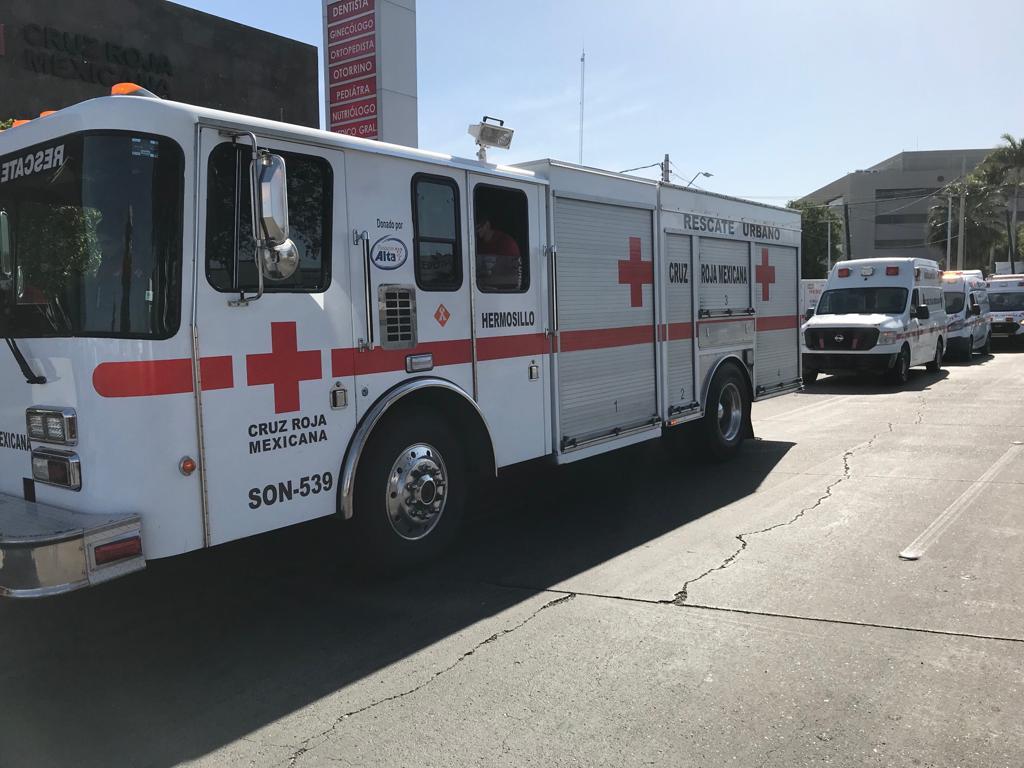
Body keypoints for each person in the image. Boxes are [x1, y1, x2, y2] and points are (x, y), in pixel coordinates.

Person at [475, 216, 522, 290]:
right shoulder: (477, 245)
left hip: (503, 291)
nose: (476, 231)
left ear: (487, 225)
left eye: (478, 227)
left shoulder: (507, 243)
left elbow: (515, 277)